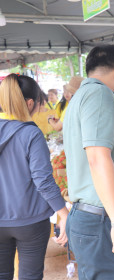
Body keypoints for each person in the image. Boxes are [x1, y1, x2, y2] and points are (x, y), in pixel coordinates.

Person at [63, 45, 114, 279]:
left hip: (94, 219)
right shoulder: (99, 95)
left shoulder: (80, 97)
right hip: (103, 221)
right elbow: (98, 158)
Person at [0, 74, 68, 280]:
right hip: (30, 221)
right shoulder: (31, 134)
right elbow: (43, 181)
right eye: (39, 104)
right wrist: (63, 213)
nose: (40, 109)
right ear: (29, 103)